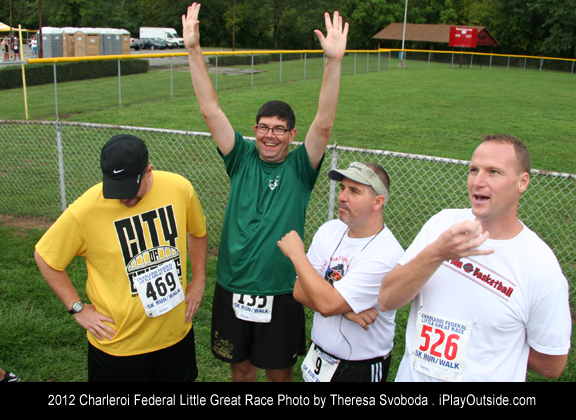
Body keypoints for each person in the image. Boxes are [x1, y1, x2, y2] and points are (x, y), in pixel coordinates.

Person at [182, 3, 348, 382]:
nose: (269, 135)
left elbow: (324, 124)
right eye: (263, 127)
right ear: (255, 129)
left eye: (278, 129)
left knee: (278, 372)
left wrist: (333, 61)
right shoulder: (240, 158)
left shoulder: (300, 168)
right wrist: (193, 49)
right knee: (241, 369)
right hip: (233, 284)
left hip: (281, 288)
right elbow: (210, 111)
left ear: (291, 134)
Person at [378, 134, 572, 382]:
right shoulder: (442, 224)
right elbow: (387, 299)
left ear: (522, 182)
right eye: (473, 170)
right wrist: (437, 253)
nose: (478, 182)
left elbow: (552, 364)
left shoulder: (540, 267)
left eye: (493, 172)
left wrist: (496, 344)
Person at [34, 134, 208, 382]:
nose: (123, 197)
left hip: (175, 335)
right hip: (119, 345)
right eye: (116, 187)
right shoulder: (86, 210)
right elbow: (45, 257)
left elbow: (198, 232)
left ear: (148, 171)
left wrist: (198, 281)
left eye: (129, 188)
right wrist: (78, 308)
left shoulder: (179, 188)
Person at [278, 162, 404, 382]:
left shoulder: (386, 254)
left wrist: (297, 256)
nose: (342, 197)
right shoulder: (330, 230)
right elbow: (299, 290)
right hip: (319, 357)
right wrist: (344, 310)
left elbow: (326, 304)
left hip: (359, 368)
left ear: (378, 202)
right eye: (342, 188)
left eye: (354, 191)